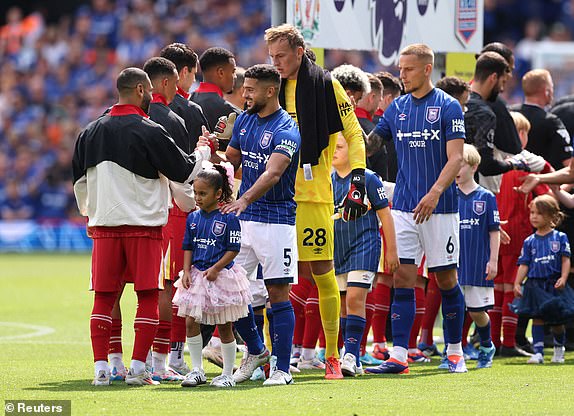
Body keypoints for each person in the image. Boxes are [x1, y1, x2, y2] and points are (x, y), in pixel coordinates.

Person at [72, 67, 215, 386]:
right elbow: (185, 171)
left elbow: (79, 182)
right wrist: (204, 149)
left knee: (104, 298)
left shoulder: (89, 131)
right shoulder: (150, 130)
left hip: (105, 227)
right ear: (139, 89)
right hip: (144, 227)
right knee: (148, 296)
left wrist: (92, 213)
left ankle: (102, 370)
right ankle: (138, 370)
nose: (152, 96)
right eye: (148, 90)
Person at [265, 23, 367, 380]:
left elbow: (354, 133)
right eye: (271, 56)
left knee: (322, 273)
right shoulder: (269, 86)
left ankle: (333, 356)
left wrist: (357, 180)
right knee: (273, 280)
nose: (276, 62)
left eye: (281, 56)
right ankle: (272, 359)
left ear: (298, 52)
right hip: (273, 198)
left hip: (312, 195)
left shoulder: (324, 84)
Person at [365, 43, 467, 374]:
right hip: (404, 208)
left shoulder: (449, 107)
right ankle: (399, 355)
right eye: (400, 69)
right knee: (403, 278)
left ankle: (454, 352)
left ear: (426, 69)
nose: (402, 75)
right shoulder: (397, 109)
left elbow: (457, 158)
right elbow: (371, 144)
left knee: (446, 279)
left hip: (441, 207)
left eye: (408, 69)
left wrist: (436, 192)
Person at [222, 64, 301, 386]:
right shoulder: (243, 120)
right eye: (245, 88)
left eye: (251, 89)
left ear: (271, 91)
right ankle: (256, 351)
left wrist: (244, 199)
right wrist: (207, 151)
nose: (244, 94)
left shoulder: (287, 129)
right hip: (246, 220)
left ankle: (282, 369)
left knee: (277, 292)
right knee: (233, 293)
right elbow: (230, 160)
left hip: (277, 221)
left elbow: (273, 173)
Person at [173, 164, 251, 388]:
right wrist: (187, 270)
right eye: (195, 193)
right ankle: (197, 370)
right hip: (197, 276)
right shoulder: (193, 218)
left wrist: (217, 268)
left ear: (218, 194)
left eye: (202, 193)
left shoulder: (229, 218)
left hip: (221, 277)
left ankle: (227, 374)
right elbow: (187, 245)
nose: (197, 197)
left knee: (224, 325)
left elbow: (233, 248)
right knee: (191, 321)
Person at [159, 42, 211, 374]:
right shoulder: (187, 112)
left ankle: (143, 356)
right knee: (178, 282)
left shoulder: (145, 109)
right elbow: (195, 167)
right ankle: (172, 355)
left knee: (156, 283)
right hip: (180, 206)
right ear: (184, 72)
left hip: (148, 205)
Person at [331, 133, 399, 377]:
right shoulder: (326, 180)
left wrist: (392, 250)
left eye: (339, 146)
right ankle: (353, 356)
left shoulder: (368, 179)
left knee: (355, 299)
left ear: (355, 149)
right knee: (341, 306)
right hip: (337, 249)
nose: (334, 151)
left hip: (364, 245)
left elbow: (385, 216)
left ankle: (350, 354)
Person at [512, 195, 574, 364]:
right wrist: (518, 283)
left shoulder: (559, 237)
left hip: (553, 283)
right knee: (537, 317)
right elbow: (524, 264)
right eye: (532, 213)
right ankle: (538, 352)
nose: (534, 216)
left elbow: (565, 259)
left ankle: (558, 348)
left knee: (556, 320)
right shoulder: (529, 241)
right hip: (534, 284)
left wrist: (563, 276)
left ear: (551, 216)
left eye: (538, 213)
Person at [456, 144, 500, 368]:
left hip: (477, 262)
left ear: (473, 167)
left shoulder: (486, 197)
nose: (456, 169)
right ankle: (452, 353)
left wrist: (493, 261)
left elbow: (495, 231)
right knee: (452, 310)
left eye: (460, 164)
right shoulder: (448, 195)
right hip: (453, 263)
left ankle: (486, 346)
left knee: (476, 311)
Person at [464, 51, 533, 194]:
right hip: (470, 193)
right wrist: (513, 164)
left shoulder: (453, 101)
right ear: (493, 78)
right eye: (503, 82)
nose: (502, 89)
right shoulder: (484, 113)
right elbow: (487, 166)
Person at [511, 69, 572, 170]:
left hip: (511, 179)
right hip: (543, 180)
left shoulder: (509, 114)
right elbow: (568, 163)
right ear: (546, 91)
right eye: (552, 87)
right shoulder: (551, 122)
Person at [191, 47, 241, 150]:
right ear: (221, 73)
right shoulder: (234, 113)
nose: (235, 76)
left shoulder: (187, 102)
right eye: (233, 71)